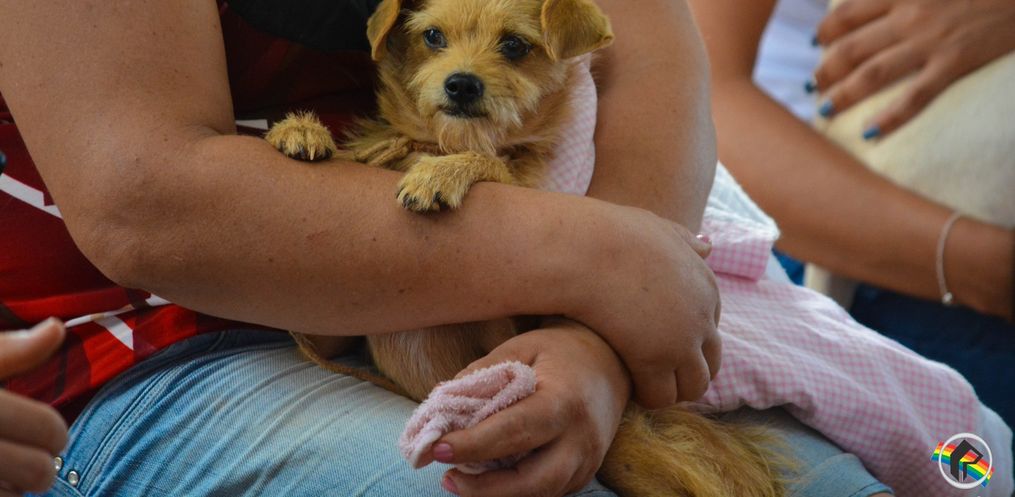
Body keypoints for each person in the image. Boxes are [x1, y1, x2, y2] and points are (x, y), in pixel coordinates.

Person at [0, 1, 917, 496]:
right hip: (150, 346)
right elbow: (147, 206)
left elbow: (645, 57)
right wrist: (599, 264)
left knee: (857, 483)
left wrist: (592, 344)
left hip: (539, 288)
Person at [688, 0, 1015, 425]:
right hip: (862, 237)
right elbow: (702, 98)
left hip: (957, 224)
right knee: (965, 456)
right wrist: (984, 268)